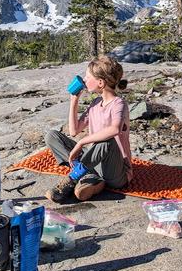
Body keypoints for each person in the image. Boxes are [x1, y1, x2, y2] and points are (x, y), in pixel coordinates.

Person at [45, 55, 132, 203]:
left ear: (100, 82)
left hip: (117, 171)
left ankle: (72, 179)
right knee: (52, 136)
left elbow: (115, 129)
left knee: (106, 142)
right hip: (94, 160)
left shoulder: (119, 104)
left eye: (87, 76)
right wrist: (74, 101)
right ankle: (92, 178)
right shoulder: (95, 103)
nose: (84, 80)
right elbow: (74, 131)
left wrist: (81, 143)